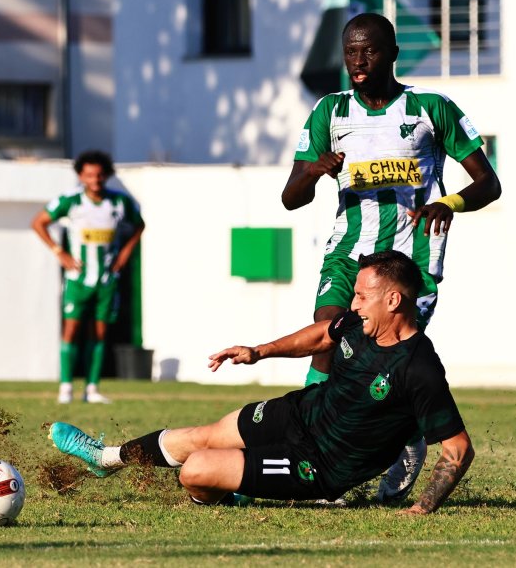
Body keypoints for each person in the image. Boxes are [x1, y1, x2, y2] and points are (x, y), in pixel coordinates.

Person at [50, 251, 474, 513]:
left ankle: (228, 490)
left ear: (394, 300)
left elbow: (458, 449)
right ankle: (105, 459)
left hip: (320, 467)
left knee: (196, 471)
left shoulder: (419, 368)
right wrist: (259, 351)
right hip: (301, 412)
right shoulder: (358, 322)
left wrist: (423, 506)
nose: (353, 303)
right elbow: (322, 334)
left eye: (362, 296)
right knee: (206, 436)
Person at [283, 12, 500, 499]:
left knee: (389, 363)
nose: (358, 62)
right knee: (327, 340)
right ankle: (316, 457)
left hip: (410, 259)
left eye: (369, 51)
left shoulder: (430, 108)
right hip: (348, 253)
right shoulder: (330, 113)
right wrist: (315, 170)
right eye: (350, 53)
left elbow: (489, 182)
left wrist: (450, 201)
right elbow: (290, 197)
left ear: (393, 53)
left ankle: (410, 440)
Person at [32, 150, 145, 404]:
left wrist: (125, 253)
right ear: (81, 176)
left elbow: (139, 225)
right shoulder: (70, 201)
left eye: (100, 174)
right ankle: (66, 388)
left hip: (106, 280)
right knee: (71, 330)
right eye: (90, 174)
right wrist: (59, 252)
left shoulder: (119, 202)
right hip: (78, 279)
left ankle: (92, 388)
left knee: (99, 333)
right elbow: (38, 222)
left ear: (106, 175)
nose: (95, 179)